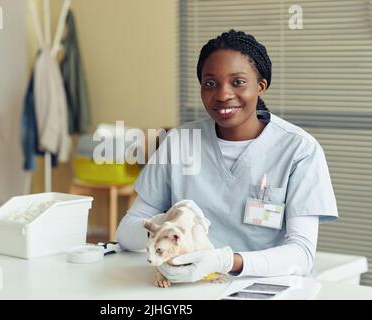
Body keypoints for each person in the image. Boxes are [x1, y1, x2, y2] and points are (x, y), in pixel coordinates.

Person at [116, 29, 338, 282]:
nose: (222, 94)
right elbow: (126, 231)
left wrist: (225, 261)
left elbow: (301, 254)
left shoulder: (299, 150)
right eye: (210, 83)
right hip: (188, 288)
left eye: (238, 82)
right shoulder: (178, 142)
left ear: (261, 86)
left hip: (263, 288)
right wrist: (167, 223)